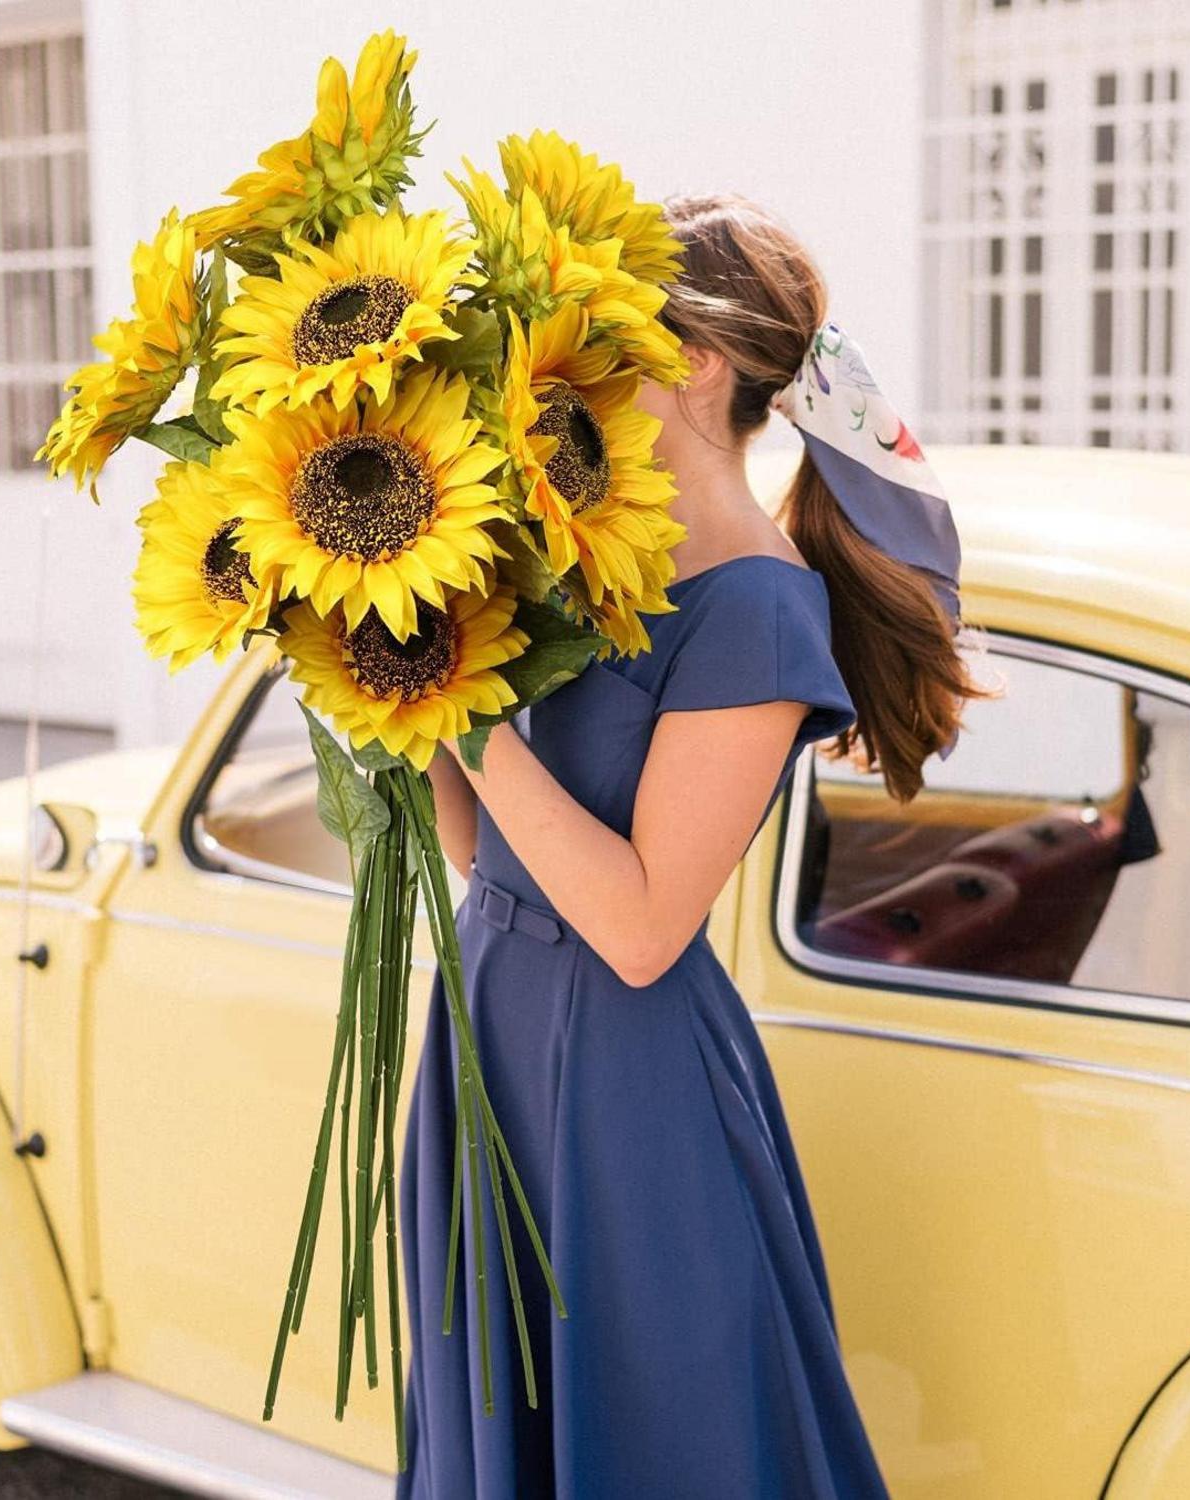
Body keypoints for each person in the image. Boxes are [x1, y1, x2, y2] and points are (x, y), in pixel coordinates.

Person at [396, 192, 981, 1499]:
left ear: (697, 364)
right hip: (493, 1034)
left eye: (600, 333)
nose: (566, 362)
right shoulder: (606, 570)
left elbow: (645, 922)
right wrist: (392, 695)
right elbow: (486, 863)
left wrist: (462, 701)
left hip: (622, 1094)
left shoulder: (761, 608)